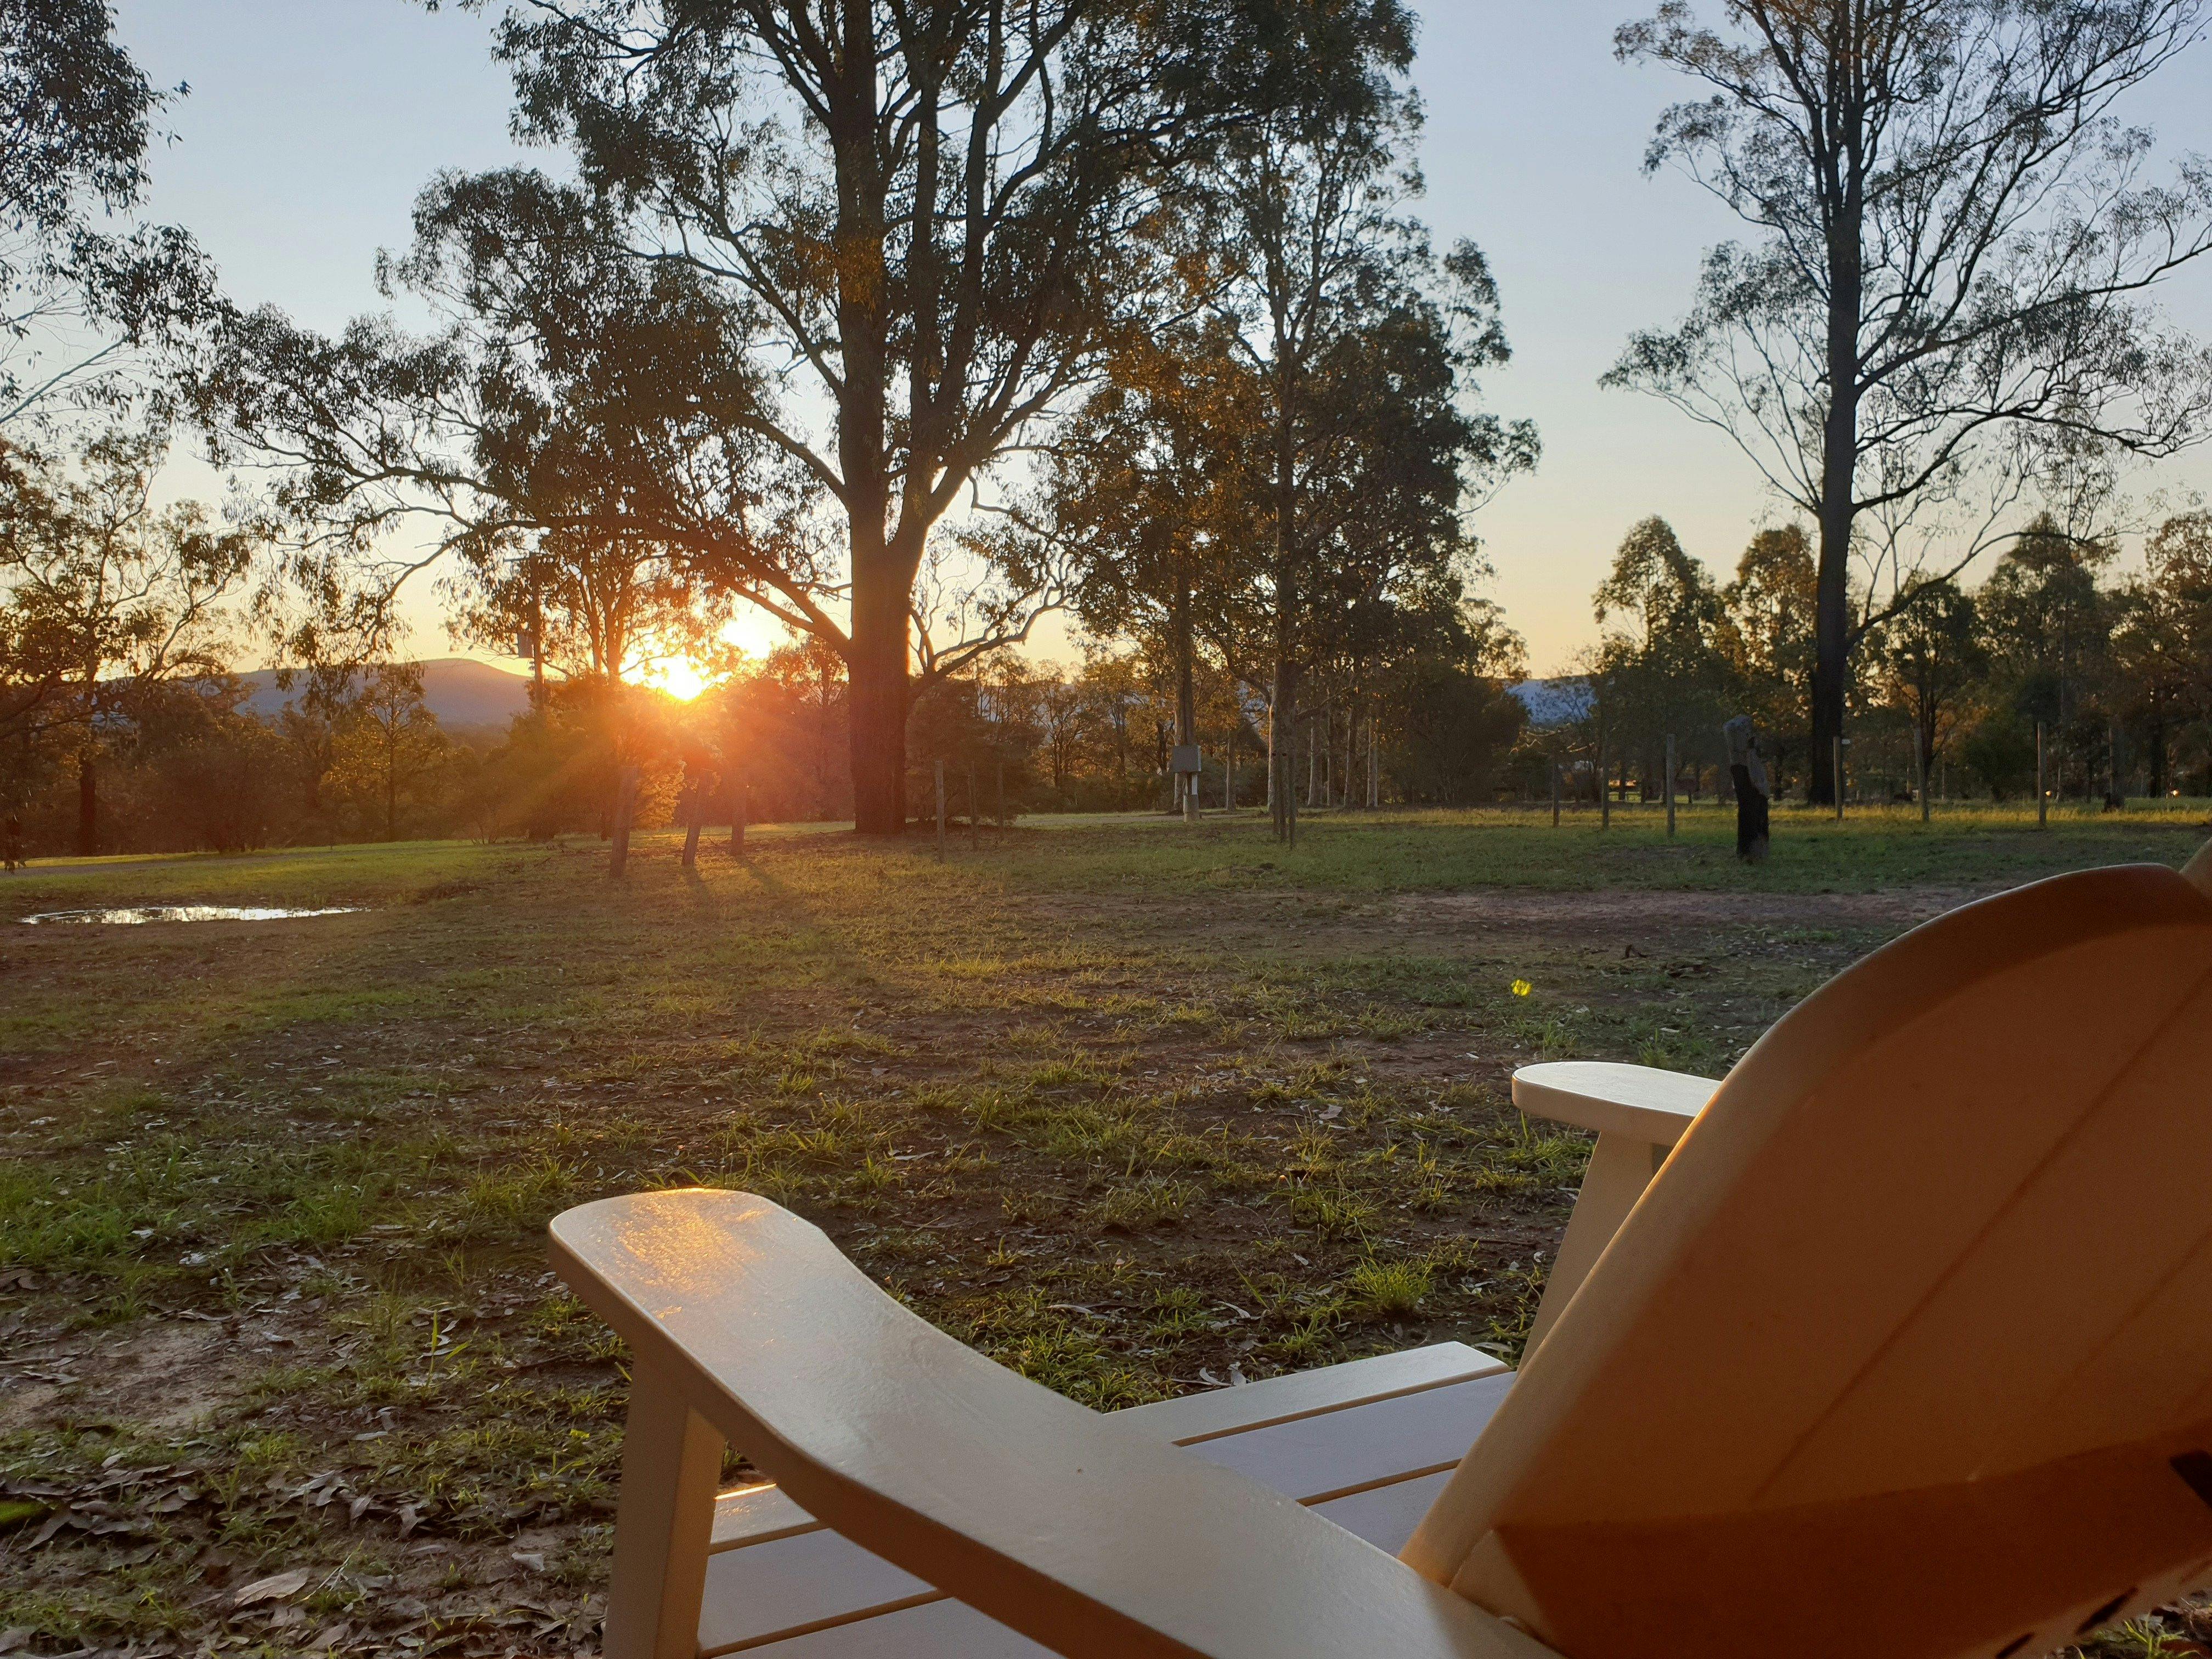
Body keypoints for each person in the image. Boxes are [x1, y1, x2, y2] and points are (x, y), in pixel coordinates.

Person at [1723, 715, 1770, 864]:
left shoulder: (1742, 757)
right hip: (1748, 776)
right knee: (1750, 811)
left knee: (1748, 811)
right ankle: (1752, 851)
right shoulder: (1747, 755)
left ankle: (1749, 850)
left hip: (1744, 773)